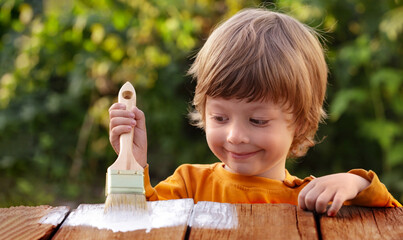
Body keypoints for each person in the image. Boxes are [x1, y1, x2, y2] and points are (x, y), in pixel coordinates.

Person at [108, 8, 401, 216]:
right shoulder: (188, 185)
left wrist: (358, 183)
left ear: (299, 122)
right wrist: (131, 164)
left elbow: (391, 219)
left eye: (258, 120)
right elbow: (132, 221)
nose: (235, 136)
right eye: (220, 118)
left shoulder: (312, 199)